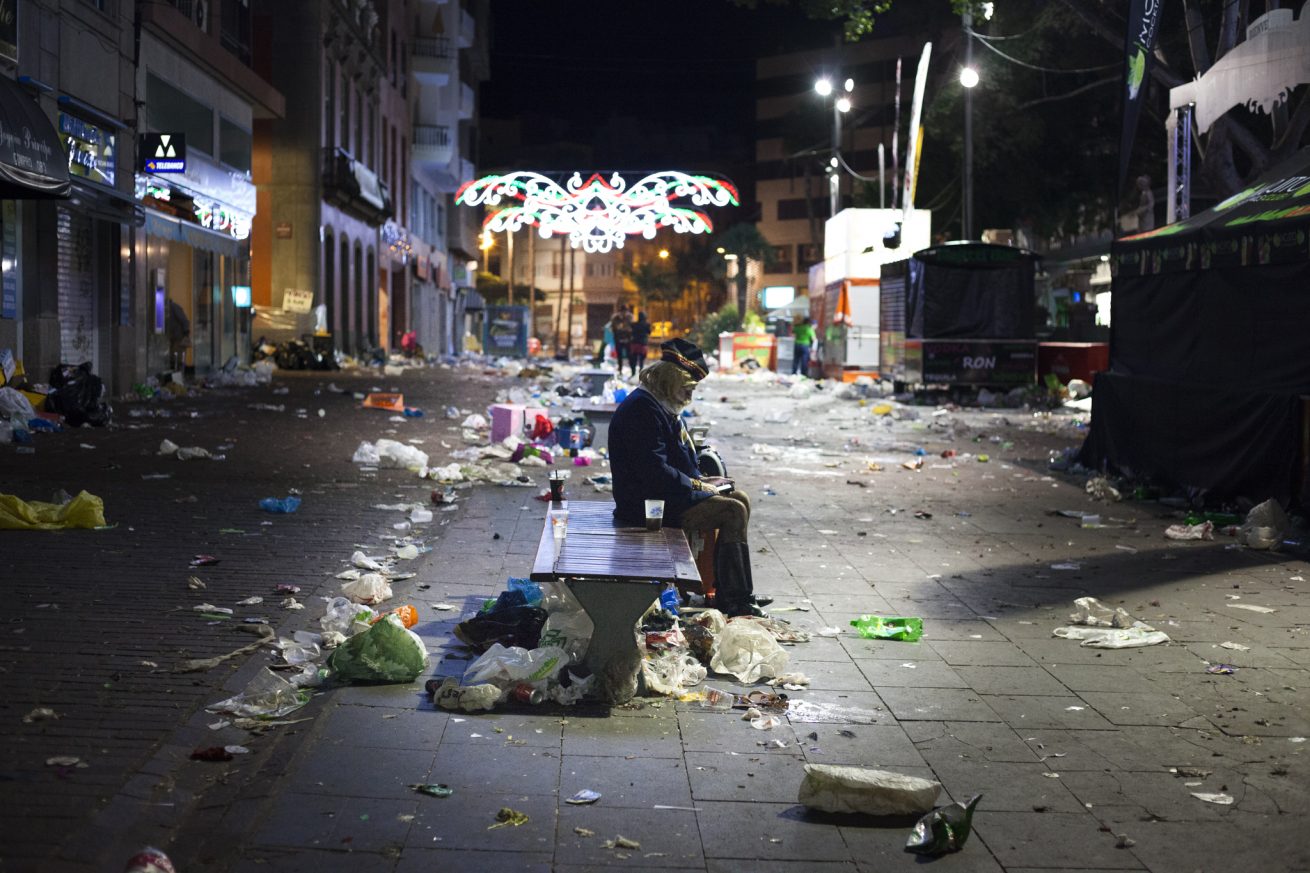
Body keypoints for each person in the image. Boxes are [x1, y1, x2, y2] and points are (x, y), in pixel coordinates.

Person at [607, 338, 768, 617]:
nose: (689, 396)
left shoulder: (660, 404)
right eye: (687, 388)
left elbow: (678, 458)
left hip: (664, 495)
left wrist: (706, 482)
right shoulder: (642, 410)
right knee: (732, 511)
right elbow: (655, 473)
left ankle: (734, 591)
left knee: (740, 498)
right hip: (647, 505)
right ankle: (735, 600)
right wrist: (699, 486)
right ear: (671, 380)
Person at [166, 298, 191, 372]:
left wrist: (186, 332)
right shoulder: (172, 308)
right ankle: (175, 372)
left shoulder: (173, 307)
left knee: (177, 356)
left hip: (178, 336)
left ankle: (178, 373)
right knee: (174, 356)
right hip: (173, 336)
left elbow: (184, 320)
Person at [610, 303, 633, 373]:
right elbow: (613, 328)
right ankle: (620, 368)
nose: (624, 313)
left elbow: (631, 327)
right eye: (623, 311)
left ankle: (632, 369)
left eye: (625, 311)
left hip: (627, 339)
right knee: (619, 355)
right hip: (618, 338)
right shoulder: (615, 318)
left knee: (629, 355)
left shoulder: (629, 317)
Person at [628, 311, 651, 377]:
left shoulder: (634, 325)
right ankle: (641, 372)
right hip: (643, 344)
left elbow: (631, 331)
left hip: (635, 344)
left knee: (634, 359)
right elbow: (649, 332)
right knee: (641, 360)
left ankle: (633, 373)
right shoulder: (647, 325)